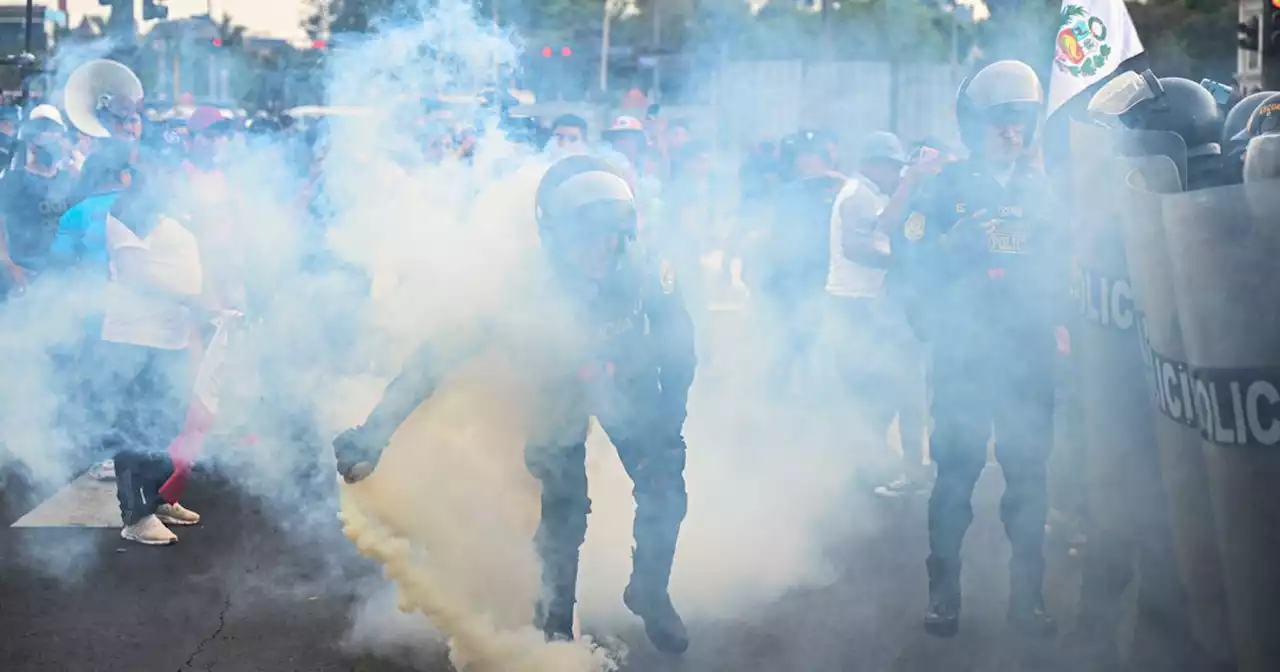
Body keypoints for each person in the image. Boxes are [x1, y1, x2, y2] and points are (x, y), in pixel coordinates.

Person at [333, 155, 697, 654]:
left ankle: (649, 592)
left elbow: (680, 342)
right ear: (553, 236)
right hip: (557, 387)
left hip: (627, 379)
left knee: (665, 486)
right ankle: (553, 621)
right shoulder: (522, 285)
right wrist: (375, 432)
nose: (600, 249)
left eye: (610, 236)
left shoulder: (648, 266)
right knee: (565, 508)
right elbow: (437, 357)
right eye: (585, 238)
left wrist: (669, 420)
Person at [891, 60, 1063, 637]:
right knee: (955, 480)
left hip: (1028, 358)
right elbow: (906, 265)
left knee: (1029, 481)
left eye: (1021, 120)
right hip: (965, 358)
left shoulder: (1045, 193)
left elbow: (1068, 268)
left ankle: (1029, 597)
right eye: (999, 121)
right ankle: (943, 595)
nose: (1011, 131)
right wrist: (949, 246)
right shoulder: (943, 190)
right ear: (973, 126)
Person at [102, 169, 205, 545]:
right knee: (135, 426)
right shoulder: (130, 212)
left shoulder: (166, 216)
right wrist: (191, 299)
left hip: (168, 338)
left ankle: (158, 497)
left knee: (163, 422)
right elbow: (133, 274)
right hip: (136, 337)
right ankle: (135, 515)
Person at [825, 131, 928, 497]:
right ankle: (875, 467)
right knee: (884, 387)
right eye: (892, 167)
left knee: (886, 388)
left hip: (870, 303)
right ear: (873, 164)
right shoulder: (858, 195)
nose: (896, 174)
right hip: (857, 303)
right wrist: (903, 262)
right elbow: (856, 247)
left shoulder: (871, 194)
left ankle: (877, 466)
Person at [0, 117, 78, 297]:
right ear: (32, 144)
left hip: (64, 274)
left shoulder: (69, 179)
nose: (57, 144)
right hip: (25, 271)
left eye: (59, 138)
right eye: (50, 139)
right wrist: (10, 266)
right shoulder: (12, 181)